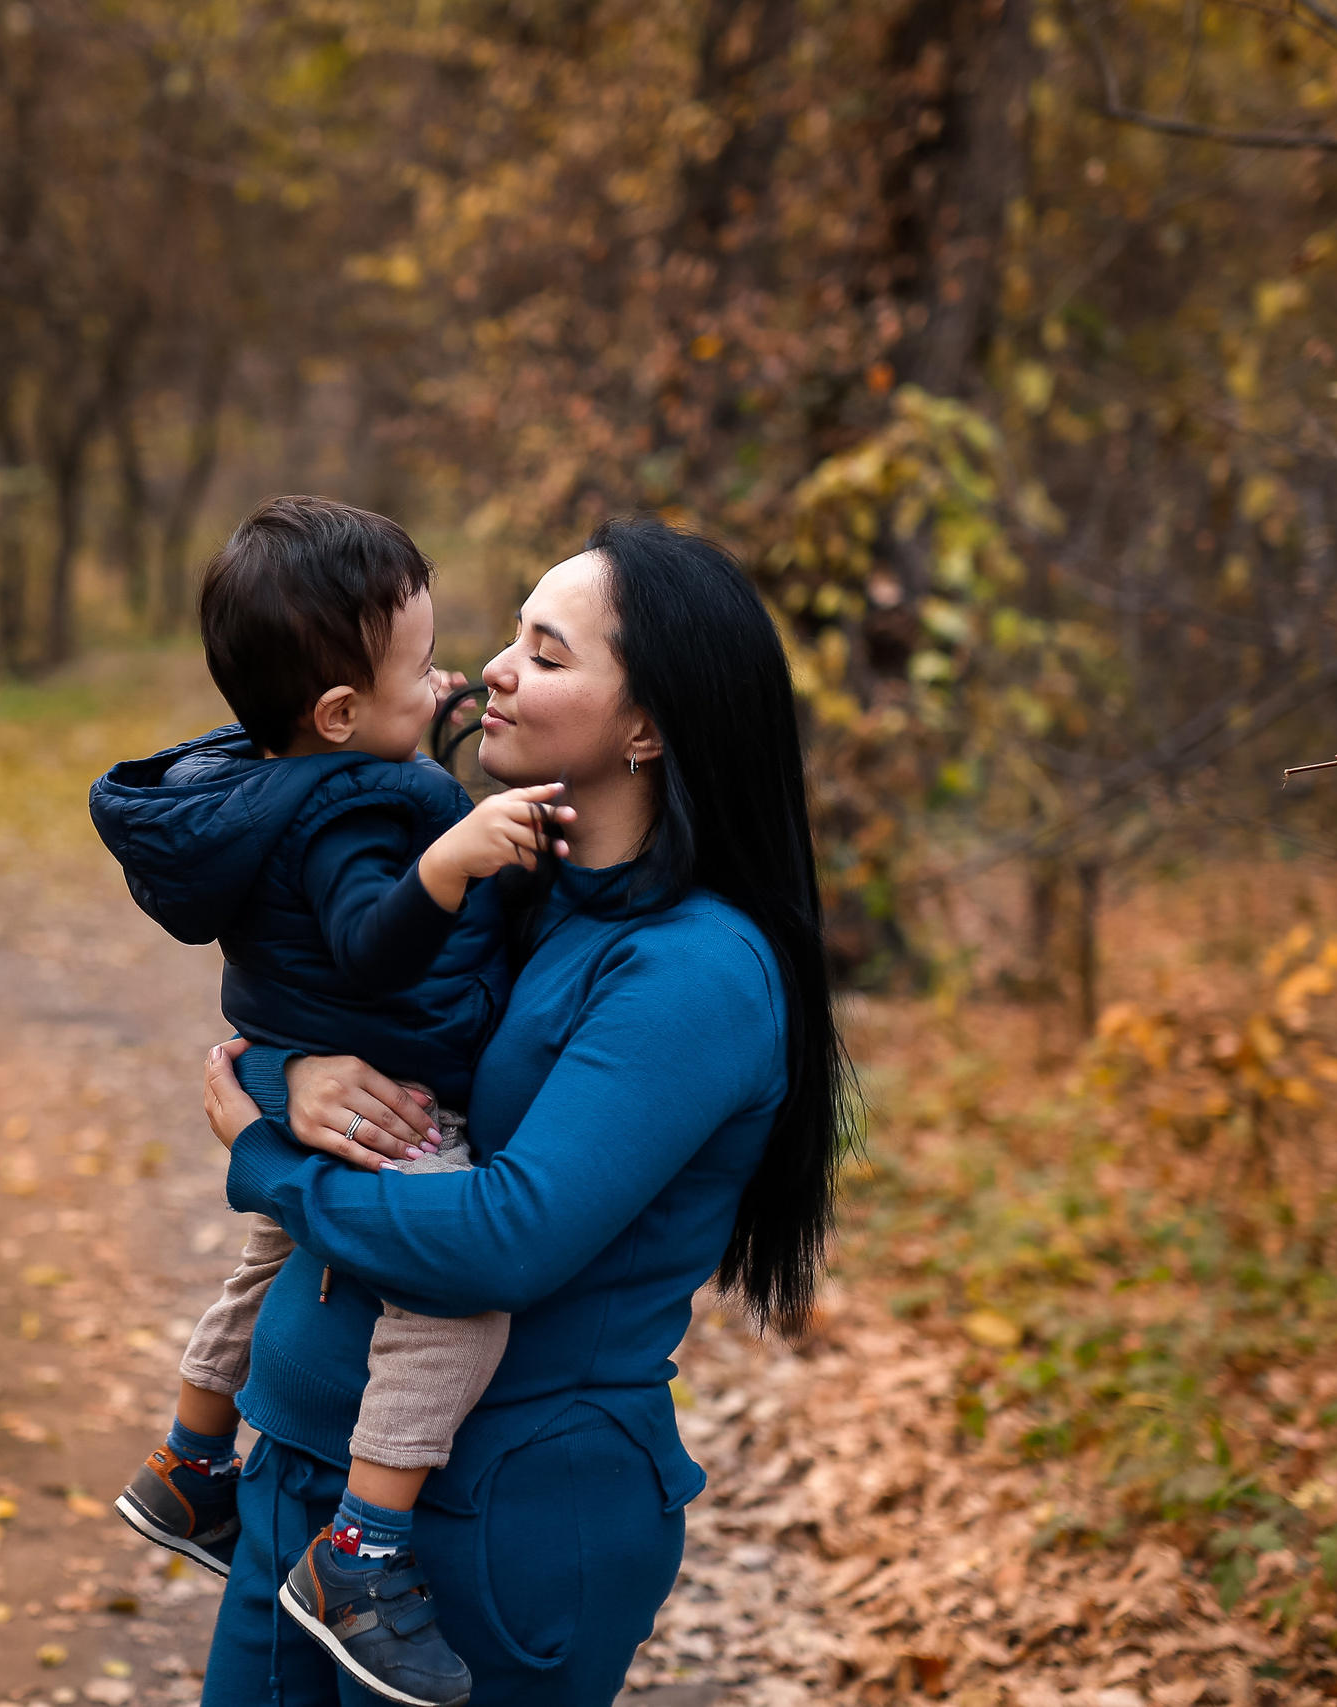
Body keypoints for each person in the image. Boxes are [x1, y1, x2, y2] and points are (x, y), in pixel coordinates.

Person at [192, 515, 852, 1706]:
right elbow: (310, 981)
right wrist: (292, 1074)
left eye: (547, 654)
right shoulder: (510, 882)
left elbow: (509, 1236)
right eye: (511, 638)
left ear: (646, 725)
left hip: (485, 1527)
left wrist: (269, 1157)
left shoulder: (693, 970)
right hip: (300, 1486)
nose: (493, 669)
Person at [89, 495, 574, 1707]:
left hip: (319, 1059)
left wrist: (425, 721)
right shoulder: (363, 811)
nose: (452, 678)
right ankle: (362, 1546)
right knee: (452, 1306)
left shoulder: (271, 781)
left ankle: (189, 1464)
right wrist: (451, 860)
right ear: (341, 716)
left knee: (264, 1263)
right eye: (424, 667)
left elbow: (330, 880)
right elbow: (368, 940)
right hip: (389, 1094)